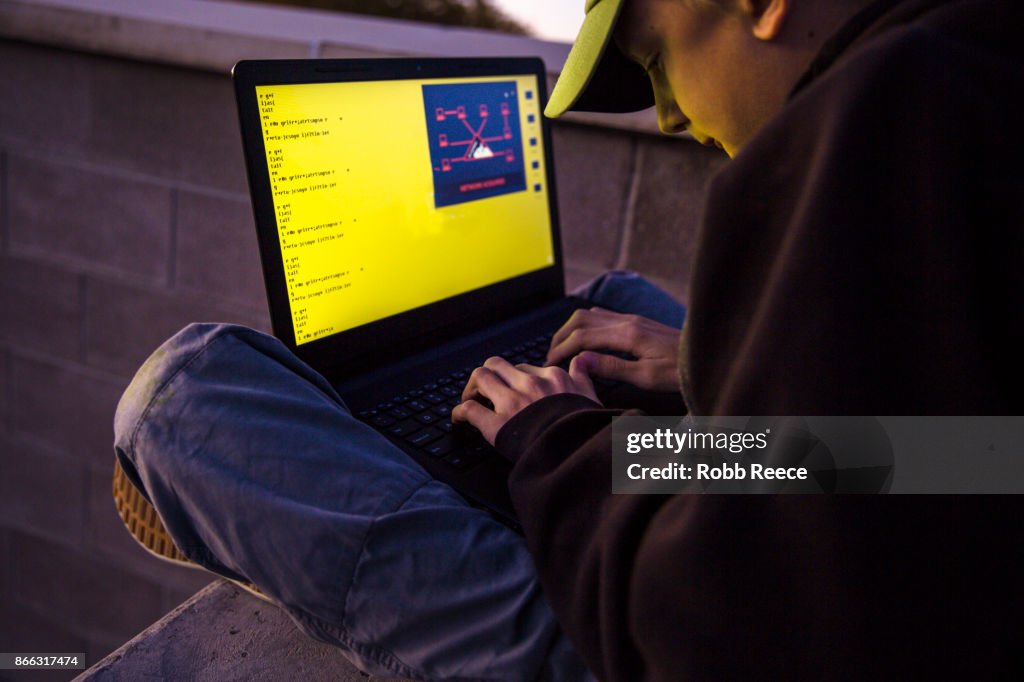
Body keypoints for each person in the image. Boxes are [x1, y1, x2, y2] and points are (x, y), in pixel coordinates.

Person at [114, 0, 1023, 679]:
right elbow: (973, 457)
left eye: (655, 58)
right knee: (607, 307)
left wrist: (557, 450)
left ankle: (363, 502)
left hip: (644, 644)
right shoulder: (975, 62)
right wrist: (713, 369)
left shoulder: (876, 117)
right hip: (887, 561)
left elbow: (718, 621)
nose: (666, 113)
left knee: (185, 398)